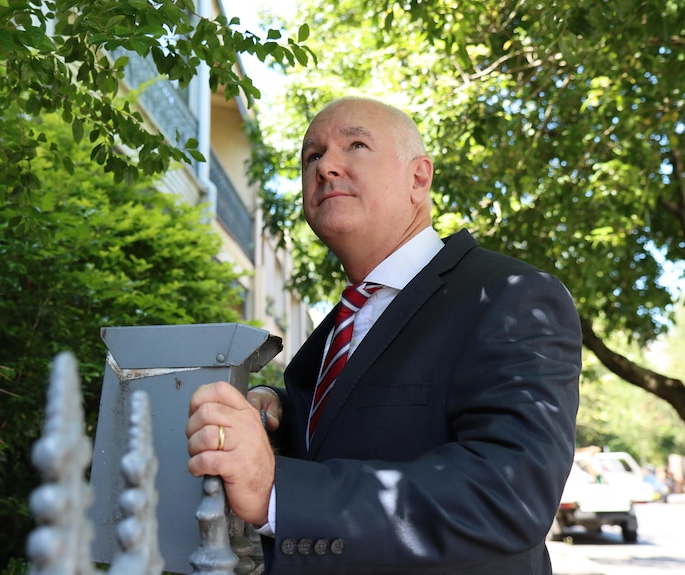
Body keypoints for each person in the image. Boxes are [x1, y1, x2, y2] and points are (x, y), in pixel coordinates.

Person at [186, 96, 581, 574]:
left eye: (355, 144)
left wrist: (278, 491)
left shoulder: (512, 296)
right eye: (312, 155)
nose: (327, 166)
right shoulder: (341, 324)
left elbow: (509, 495)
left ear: (419, 178)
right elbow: (362, 429)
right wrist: (279, 413)